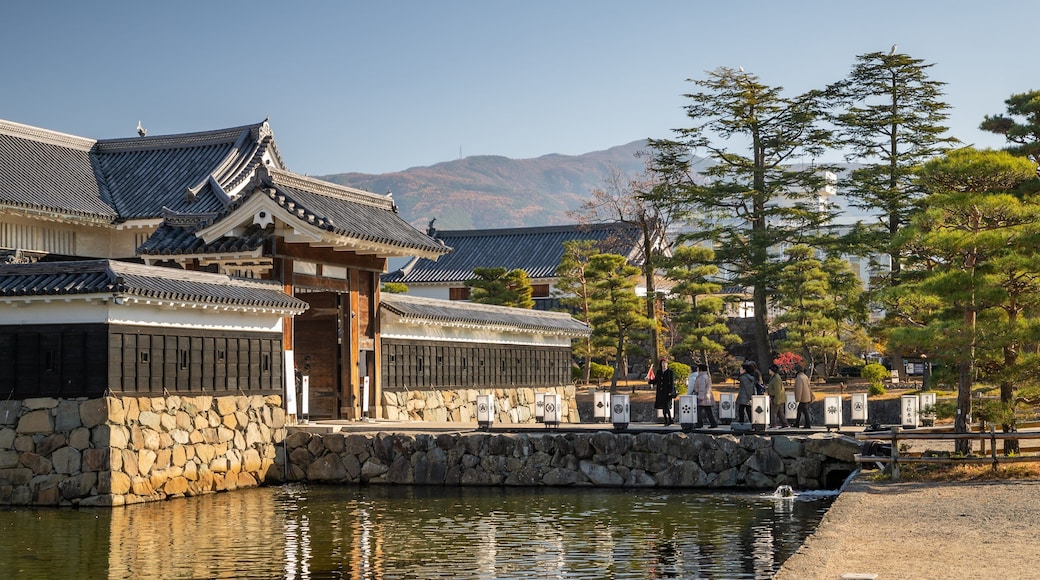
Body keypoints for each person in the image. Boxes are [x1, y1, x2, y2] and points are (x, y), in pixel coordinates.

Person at [649, 357, 676, 425]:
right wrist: (649, 381)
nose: (664, 364)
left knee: (666, 406)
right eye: (662, 363)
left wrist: (671, 391)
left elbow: (672, 383)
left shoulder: (670, 372)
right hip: (660, 392)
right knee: (663, 406)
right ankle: (668, 420)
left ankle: (668, 420)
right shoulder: (659, 372)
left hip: (667, 392)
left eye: (665, 363)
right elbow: (656, 381)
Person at [691, 363, 718, 428]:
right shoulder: (706, 376)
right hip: (707, 396)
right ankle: (713, 423)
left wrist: (700, 397)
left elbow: (701, 388)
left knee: (698, 411)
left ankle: (699, 424)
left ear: (700, 369)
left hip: (703, 397)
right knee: (708, 411)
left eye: (698, 368)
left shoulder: (701, 377)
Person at [767, 363, 789, 428]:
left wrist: (777, 400)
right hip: (778, 397)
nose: (769, 371)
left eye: (770, 370)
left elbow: (778, 390)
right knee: (780, 412)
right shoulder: (774, 377)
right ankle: (785, 424)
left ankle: (773, 424)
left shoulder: (776, 378)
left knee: (773, 412)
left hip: (777, 397)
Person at [794, 363, 813, 428]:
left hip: (803, 397)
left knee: (804, 411)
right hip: (806, 396)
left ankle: (807, 424)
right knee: (800, 410)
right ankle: (797, 423)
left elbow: (799, 389)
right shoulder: (805, 376)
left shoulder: (799, 378)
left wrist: (798, 398)